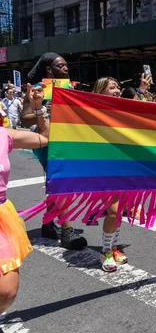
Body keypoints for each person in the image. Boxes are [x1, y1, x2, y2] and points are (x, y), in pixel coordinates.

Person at [21, 52, 87, 250]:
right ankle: (67, 231)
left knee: (60, 183)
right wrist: (43, 110)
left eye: (66, 65)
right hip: (47, 141)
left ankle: (48, 224)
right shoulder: (36, 89)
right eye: (60, 65)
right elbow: (25, 118)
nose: (65, 68)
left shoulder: (70, 89)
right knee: (60, 183)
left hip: (67, 140)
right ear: (49, 69)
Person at [0, 83, 49, 316]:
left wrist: (37, 106)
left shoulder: (4, 136)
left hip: (1, 217)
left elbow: (43, 138)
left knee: (6, 290)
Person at [92, 77, 129, 272]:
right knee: (113, 211)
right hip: (103, 167)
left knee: (119, 211)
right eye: (112, 87)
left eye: (118, 86)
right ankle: (105, 251)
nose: (117, 89)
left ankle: (114, 247)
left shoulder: (123, 110)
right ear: (101, 91)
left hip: (123, 166)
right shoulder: (93, 112)